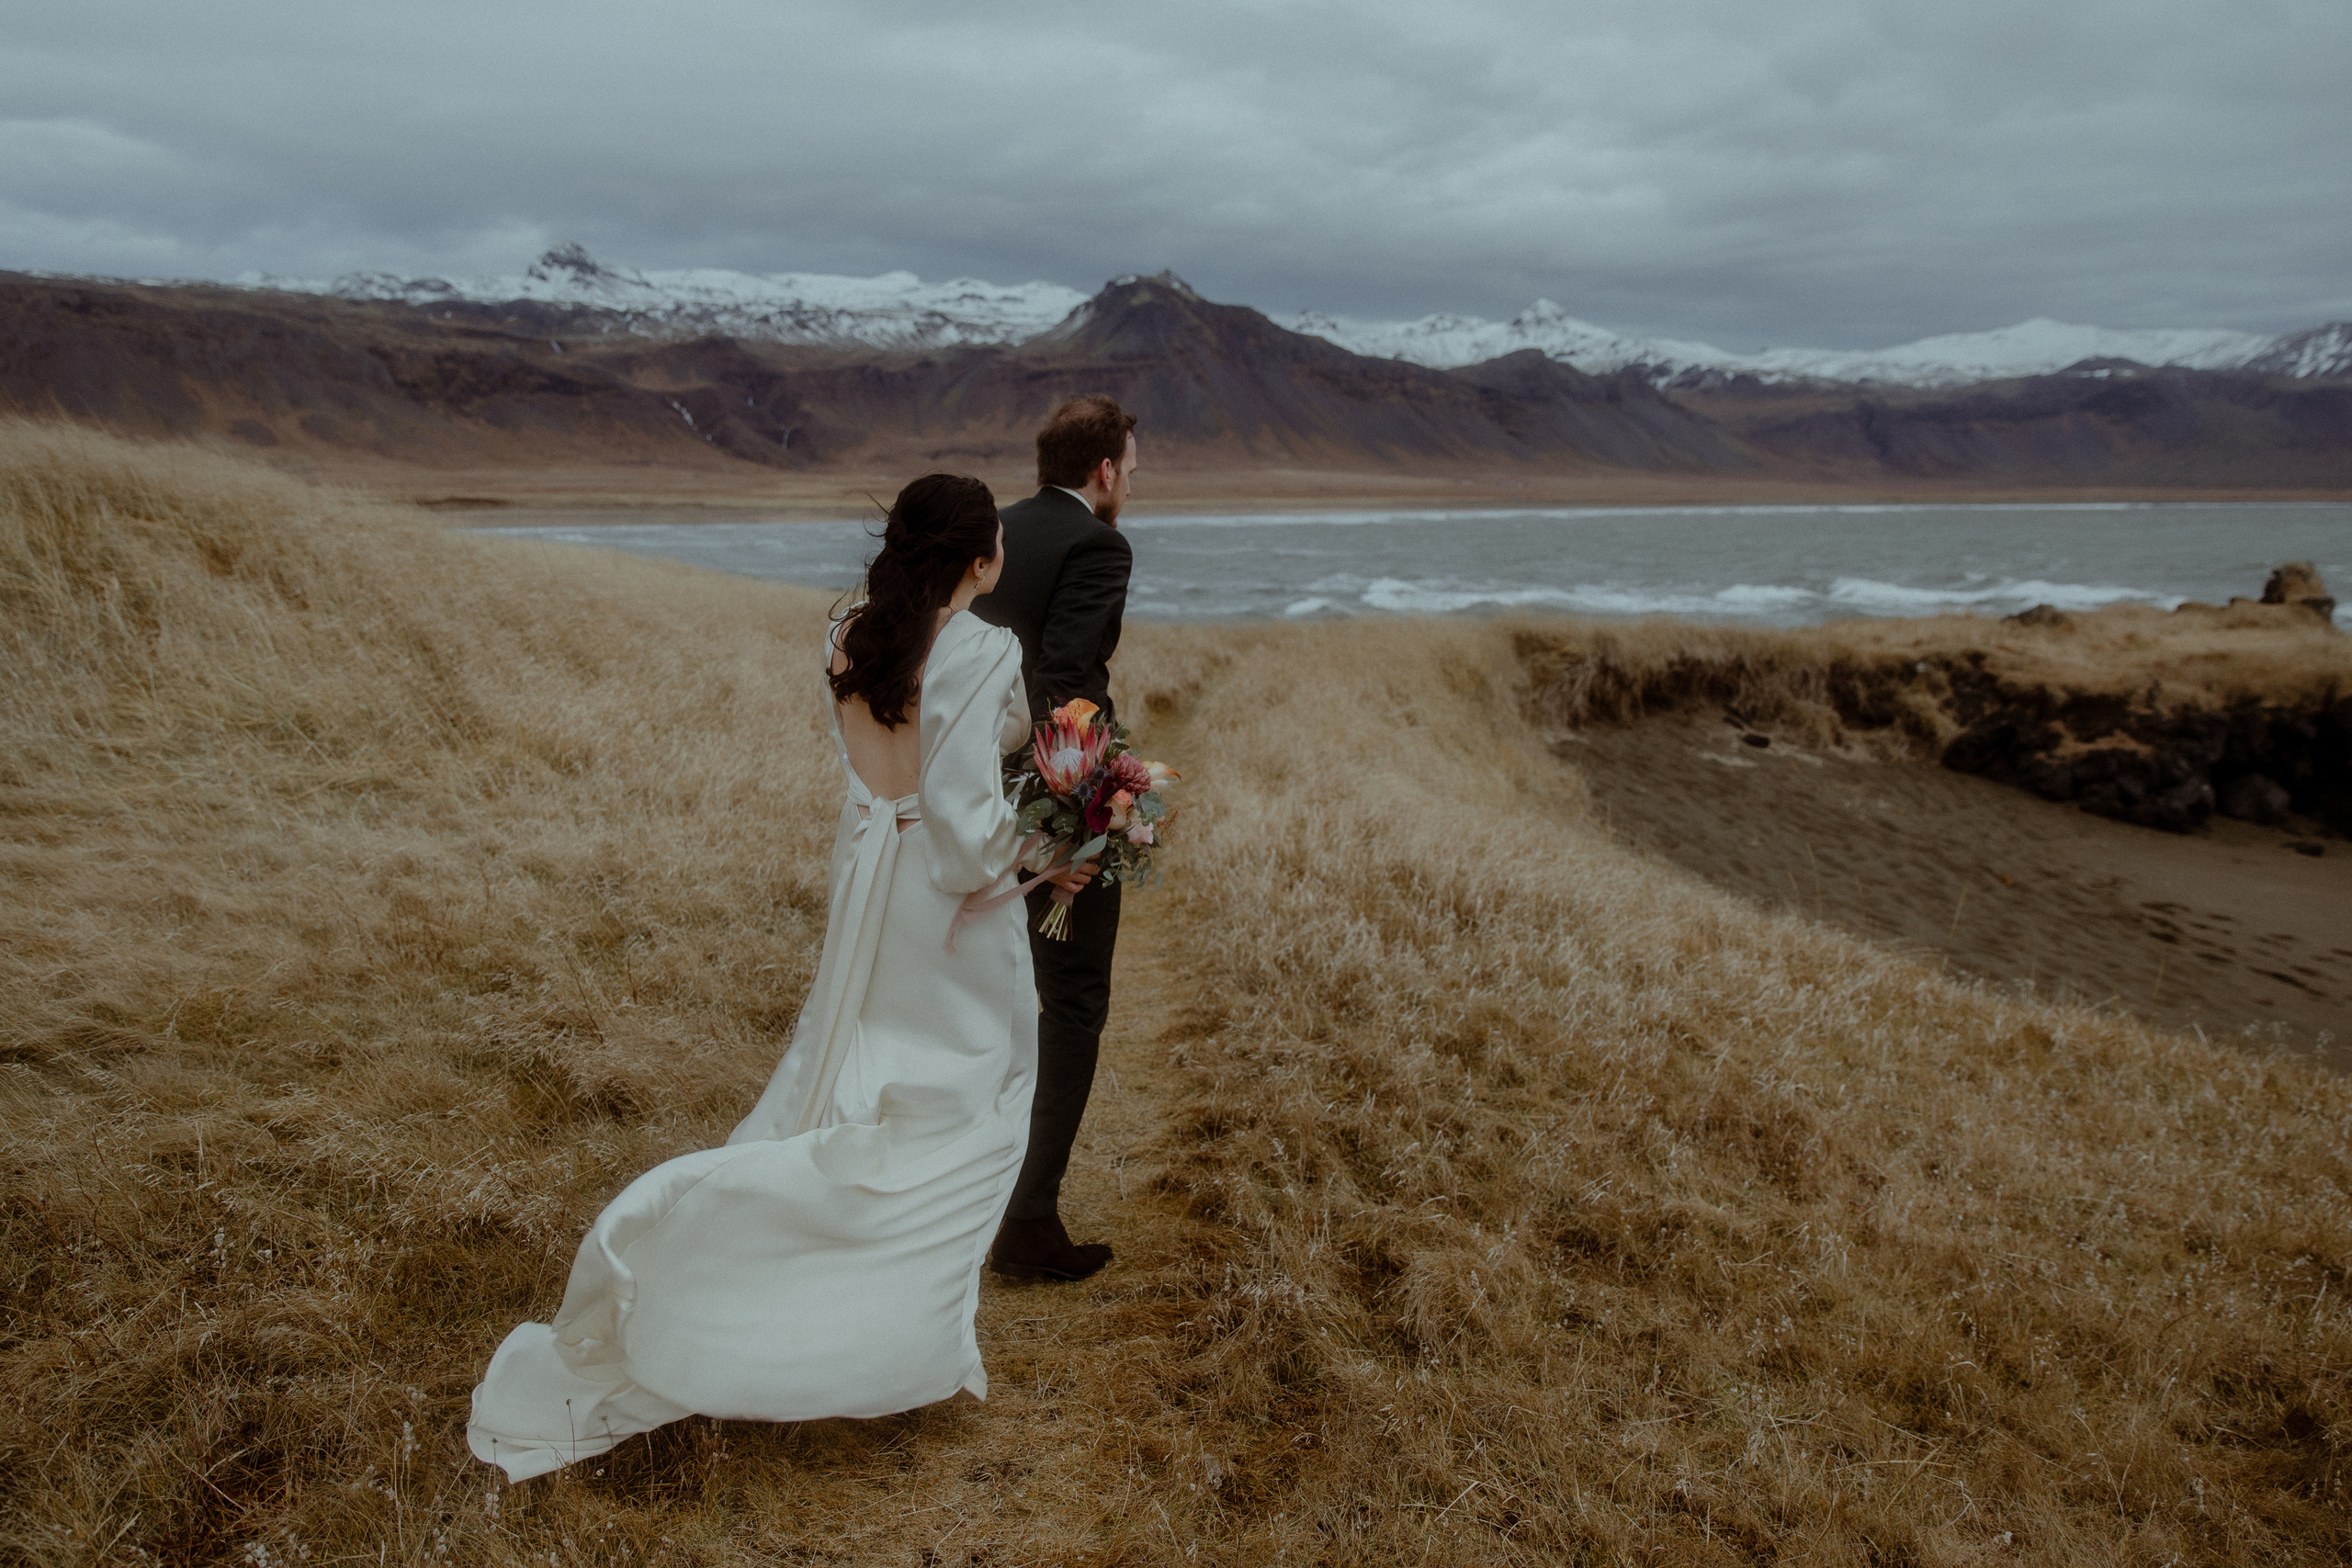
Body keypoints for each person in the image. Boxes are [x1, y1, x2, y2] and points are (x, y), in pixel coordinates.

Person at [465, 474, 1096, 1482]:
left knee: (851, 1080)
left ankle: (794, 1293)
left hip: (864, 887)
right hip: (941, 916)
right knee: (961, 1114)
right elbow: (966, 842)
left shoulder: (848, 628)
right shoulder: (981, 647)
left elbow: (892, 778)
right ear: (982, 557)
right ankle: (878, 1331)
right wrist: (1051, 850)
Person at [971, 395, 1138, 1283]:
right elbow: (1069, 680)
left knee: (994, 999)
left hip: (971, 803)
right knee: (1070, 1004)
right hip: (1050, 806)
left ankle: (975, 1193)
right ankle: (1028, 1220)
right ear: (1104, 469)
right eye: (1133, 467)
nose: (1132, 483)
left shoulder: (993, 529)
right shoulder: (1098, 544)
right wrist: (1080, 823)